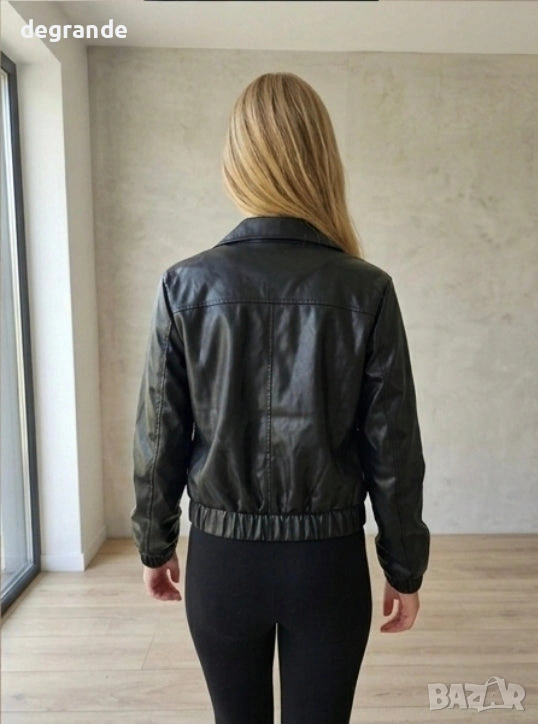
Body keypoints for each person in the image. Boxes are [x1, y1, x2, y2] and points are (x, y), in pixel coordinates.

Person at [131, 71, 430, 724]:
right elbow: (393, 448)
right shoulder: (367, 289)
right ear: (322, 162)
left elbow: (160, 434)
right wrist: (404, 567)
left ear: (238, 162)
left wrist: (155, 543)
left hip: (221, 562)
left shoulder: (184, 286)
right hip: (327, 565)